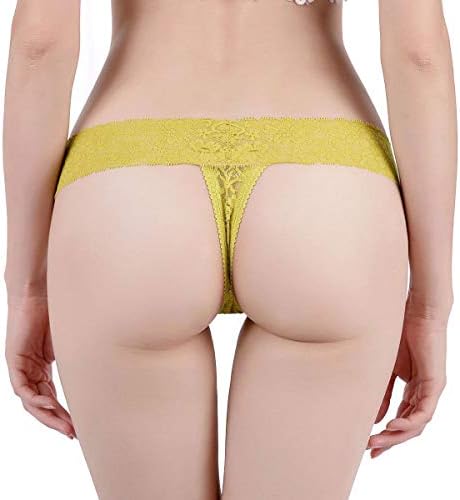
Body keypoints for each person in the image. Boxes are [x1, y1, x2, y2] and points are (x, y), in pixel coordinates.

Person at [2, 1, 456, 499]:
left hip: (131, 184)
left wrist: (28, 291)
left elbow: (39, 46)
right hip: (324, 186)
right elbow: (419, 57)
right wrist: (429, 309)